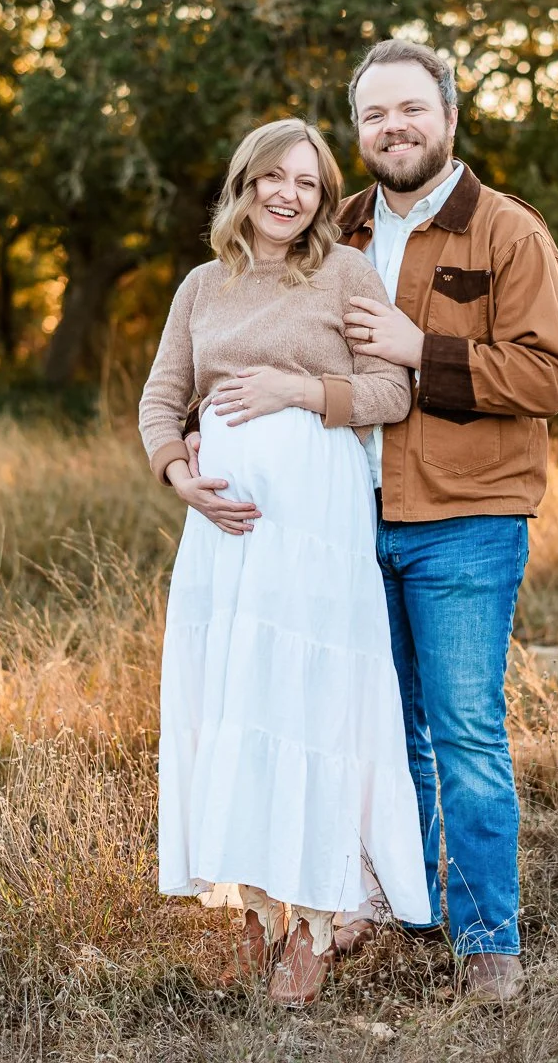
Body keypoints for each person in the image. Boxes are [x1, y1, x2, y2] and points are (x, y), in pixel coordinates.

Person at [138, 117, 431, 1007]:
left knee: (307, 701)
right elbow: (161, 398)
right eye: (274, 177)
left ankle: (317, 915)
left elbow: (391, 391)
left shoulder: (346, 273)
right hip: (225, 532)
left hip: (314, 518)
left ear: (322, 197)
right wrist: (180, 475)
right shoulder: (202, 285)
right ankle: (262, 906)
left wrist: (295, 391)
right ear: (246, 183)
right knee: (238, 699)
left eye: (307, 183)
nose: (289, 195)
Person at [335, 39, 558, 1001]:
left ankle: (488, 941)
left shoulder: (508, 233)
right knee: (380, 730)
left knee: (466, 732)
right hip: (351, 519)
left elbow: (546, 378)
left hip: (466, 523)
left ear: (448, 117)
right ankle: (402, 906)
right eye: (374, 115)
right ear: (359, 131)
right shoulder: (338, 232)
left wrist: (418, 347)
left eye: (410, 110)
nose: (392, 128)